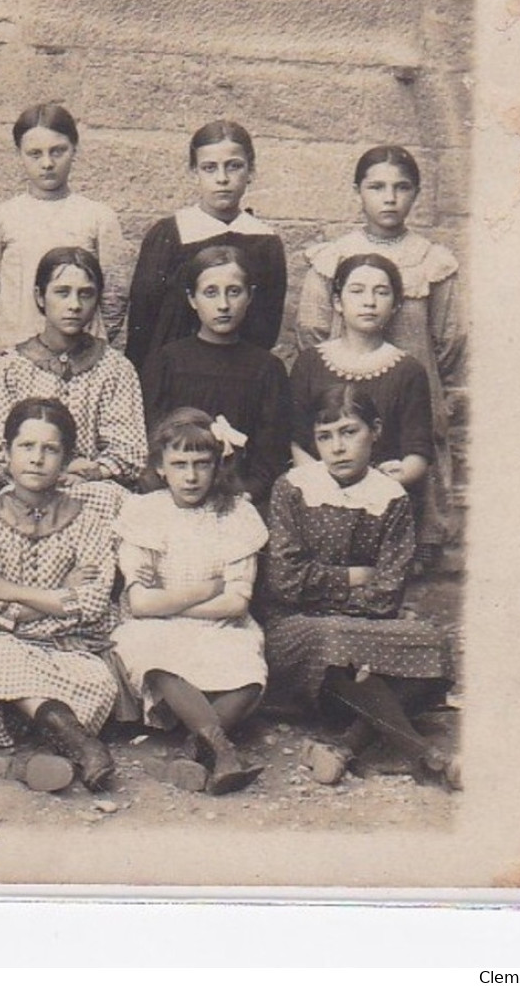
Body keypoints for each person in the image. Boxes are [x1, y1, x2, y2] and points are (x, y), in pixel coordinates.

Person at [257, 385, 458, 790]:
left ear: (376, 430)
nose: (337, 448)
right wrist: (352, 577)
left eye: (349, 432)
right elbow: (285, 581)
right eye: (324, 437)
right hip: (296, 629)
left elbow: (386, 594)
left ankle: (346, 746)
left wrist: (328, 584)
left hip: (363, 628)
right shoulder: (293, 489)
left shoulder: (390, 498)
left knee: (433, 643)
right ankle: (424, 756)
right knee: (335, 639)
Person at [295, 145, 465, 565]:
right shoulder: (332, 257)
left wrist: (415, 373)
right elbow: (311, 330)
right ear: (358, 192)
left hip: (408, 396)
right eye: (377, 187)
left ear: (416, 194)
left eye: (401, 187)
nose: (389, 198)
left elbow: (450, 338)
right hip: (343, 394)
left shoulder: (432, 261)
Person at [0, 397, 128, 794]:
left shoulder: (87, 519)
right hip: (3, 650)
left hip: (67, 650)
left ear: (65, 459)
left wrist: (11, 592)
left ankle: (32, 758)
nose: (37, 459)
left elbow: (94, 603)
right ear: (7, 453)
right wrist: (63, 594)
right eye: (26, 447)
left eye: (50, 449)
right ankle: (82, 746)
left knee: (98, 681)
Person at [112, 408, 269, 795]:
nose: (191, 475)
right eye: (179, 464)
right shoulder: (143, 511)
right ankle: (222, 750)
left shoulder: (236, 514)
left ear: (218, 467)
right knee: (150, 652)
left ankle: (191, 750)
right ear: (161, 467)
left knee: (249, 672)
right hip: (157, 626)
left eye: (202, 464)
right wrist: (205, 590)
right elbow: (140, 605)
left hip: (220, 624)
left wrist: (169, 599)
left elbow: (236, 604)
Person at [124, 120, 285, 373]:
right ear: (193, 172)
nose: (222, 179)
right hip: (172, 375)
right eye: (209, 168)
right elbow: (143, 321)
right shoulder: (169, 234)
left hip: (240, 376)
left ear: (251, 172)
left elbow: (267, 329)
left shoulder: (265, 242)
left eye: (234, 167)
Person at [139, 245, 292, 505]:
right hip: (174, 494)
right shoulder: (167, 361)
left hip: (241, 497)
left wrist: (248, 492)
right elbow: (152, 439)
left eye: (234, 292)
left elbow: (271, 453)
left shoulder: (267, 369)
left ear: (250, 296)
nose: (223, 305)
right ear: (192, 299)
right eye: (210, 293)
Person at [0, 247, 146, 493]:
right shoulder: (9, 367)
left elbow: (130, 451)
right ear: (40, 296)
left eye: (86, 294)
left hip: (90, 486)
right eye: (62, 293)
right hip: (24, 485)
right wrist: (48, 472)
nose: (74, 305)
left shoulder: (115, 368)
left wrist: (95, 471)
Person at [0, 103, 130, 356]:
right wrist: (6, 342)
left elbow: (114, 295)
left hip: (80, 354)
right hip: (13, 349)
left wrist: (83, 342)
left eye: (58, 151)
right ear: (19, 154)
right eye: (35, 154)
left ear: (74, 149)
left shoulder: (98, 217)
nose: (47, 163)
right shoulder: (0, 218)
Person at [288, 254, 434, 499]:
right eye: (357, 291)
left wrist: (386, 481)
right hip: (317, 493)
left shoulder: (408, 371)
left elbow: (418, 451)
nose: (369, 302)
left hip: (381, 496)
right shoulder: (310, 363)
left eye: (381, 292)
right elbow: (295, 440)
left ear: (396, 304)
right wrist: (324, 485)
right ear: (337, 302)